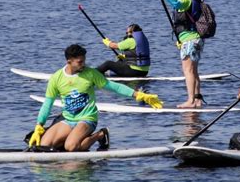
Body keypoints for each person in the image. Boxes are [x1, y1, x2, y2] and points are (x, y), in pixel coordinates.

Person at [28, 44, 163, 151]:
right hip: (68, 119)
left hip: (87, 119)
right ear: (69, 61)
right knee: (44, 145)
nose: (84, 64)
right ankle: (67, 139)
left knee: (71, 147)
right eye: (80, 62)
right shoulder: (56, 78)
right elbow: (48, 104)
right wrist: (39, 125)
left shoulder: (91, 74)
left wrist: (138, 95)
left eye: (84, 61)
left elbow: (113, 86)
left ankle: (100, 135)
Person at [151, 0, 204, 108]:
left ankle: (191, 101)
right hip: (195, 39)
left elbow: (176, 4)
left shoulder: (186, 0)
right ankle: (197, 100)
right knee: (194, 71)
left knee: (188, 71)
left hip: (190, 40)